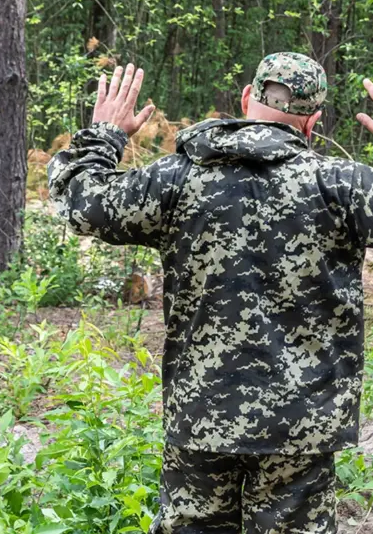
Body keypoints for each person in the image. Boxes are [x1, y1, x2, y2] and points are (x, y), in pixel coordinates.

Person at [47, 52, 373, 534]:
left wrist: (105, 134)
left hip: (202, 415)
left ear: (246, 98)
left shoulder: (177, 178)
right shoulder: (343, 186)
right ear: (313, 120)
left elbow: (80, 201)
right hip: (300, 426)